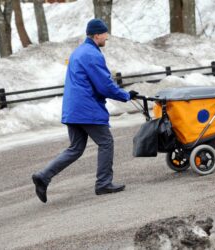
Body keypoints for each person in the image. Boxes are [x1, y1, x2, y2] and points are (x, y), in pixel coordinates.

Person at [32, 19, 138, 203]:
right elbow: (104, 85)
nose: (107, 37)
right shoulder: (92, 54)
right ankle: (104, 183)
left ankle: (43, 176)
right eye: (105, 34)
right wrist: (126, 95)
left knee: (75, 148)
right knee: (106, 142)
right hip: (86, 109)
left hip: (73, 108)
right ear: (97, 35)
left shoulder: (79, 51)